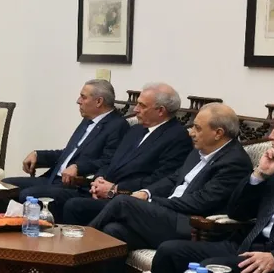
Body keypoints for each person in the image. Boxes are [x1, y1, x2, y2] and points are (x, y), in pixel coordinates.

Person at [150, 102, 274, 273]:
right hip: (245, 244)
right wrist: (259, 175)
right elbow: (237, 213)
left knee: (210, 269)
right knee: (169, 252)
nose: (271, 135)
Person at [87, 104, 253, 273]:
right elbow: (173, 179)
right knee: (114, 231)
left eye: (197, 128)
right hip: (168, 217)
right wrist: (147, 193)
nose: (191, 132)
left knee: (123, 202)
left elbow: (201, 201)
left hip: (191, 225)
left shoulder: (234, 162)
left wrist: (152, 202)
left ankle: (81, 248)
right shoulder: (200, 150)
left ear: (218, 133)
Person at [49, 83, 192, 224]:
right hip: (103, 189)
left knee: (75, 206)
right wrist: (99, 179)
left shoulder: (177, 137)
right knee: (55, 197)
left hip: (128, 197)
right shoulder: (136, 130)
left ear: (160, 111)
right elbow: (112, 161)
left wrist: (115, 189)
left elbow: (159, 179)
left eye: (142, 106)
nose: (136, 109)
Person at [2, 79, 129, 218]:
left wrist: (78, 167)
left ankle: (27, 229)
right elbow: (69, 153)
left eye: (83, 97)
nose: (78, 101)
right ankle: (1, 227)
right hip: (53, 178)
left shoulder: (118, 126)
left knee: (28, 195)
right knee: (5, 186)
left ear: (99, 101)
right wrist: (38, 155)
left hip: (76, 185)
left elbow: (109, 162)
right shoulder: (88, 120)